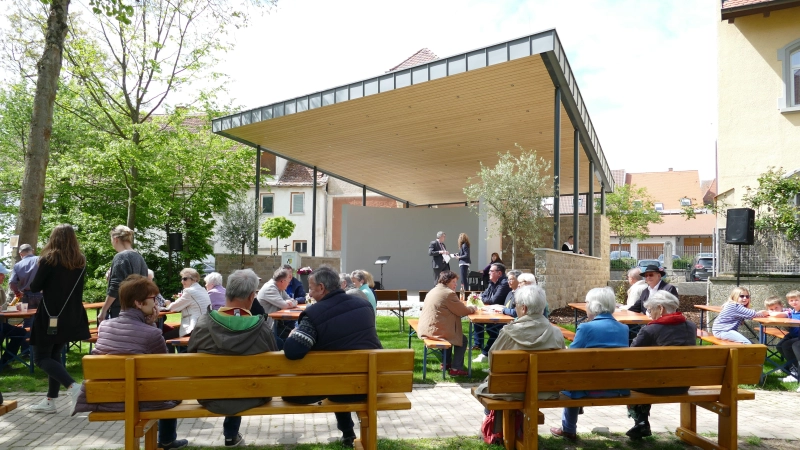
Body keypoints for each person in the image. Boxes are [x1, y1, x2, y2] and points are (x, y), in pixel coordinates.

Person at [72, 274, 188, 449]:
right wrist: (152, 326)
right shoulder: (153, 333)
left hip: (107, 399)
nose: (156, 303)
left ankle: (166, 439)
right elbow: (164, 372)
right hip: (144, 400)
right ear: (138, 303)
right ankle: (168, 439)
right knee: (170, 387)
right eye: (153, 299)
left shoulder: (105, 326)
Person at [282, 266, 382, 448]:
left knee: (333, 381)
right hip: (371, 383)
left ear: (321, 288)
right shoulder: (364, 305)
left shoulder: (314, 314)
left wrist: (293, 334)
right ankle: (348, 434)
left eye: (310, 288)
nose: (309, 293)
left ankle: (347, 433)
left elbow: (293, 351)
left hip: (336, 386)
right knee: (340, 377)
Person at [188, 269, 279, 447]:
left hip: (210, 396)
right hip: (254, 395)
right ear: (252, 297)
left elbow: (191, 360)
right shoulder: (262, 329)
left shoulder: (203, 325)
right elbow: (275, 366)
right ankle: (232, 434)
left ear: (227, 292)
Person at [550, 287, 629, 441]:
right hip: (616, 387)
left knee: (573, 378)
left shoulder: (585, 328)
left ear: (593, 305)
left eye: (586, 302)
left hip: (587, 388)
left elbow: (570, 359)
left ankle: (569, 429)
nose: (585, 305)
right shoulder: (624, 328)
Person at [27, 225, 90, 414]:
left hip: (50, 315)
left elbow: (36, 286)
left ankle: (73, 387)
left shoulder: (49, 260)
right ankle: (50, 401)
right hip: (71, 315)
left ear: (54, 238)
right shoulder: (80, 261)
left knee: (41, 357)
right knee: (54, 356)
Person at [626, 291, 697, 440]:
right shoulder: (691, 326)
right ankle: (642, 422)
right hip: (683, 384)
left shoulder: (650, 329)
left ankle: (641, 421)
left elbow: (631, 355)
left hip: (656, 385)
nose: (649, 314)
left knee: (632, 376)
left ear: (661, 308)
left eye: (650, 309)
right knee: (650, 375)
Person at [417, 271, 477, 377]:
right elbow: (462, 311)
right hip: (436, 330)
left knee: (451, 334)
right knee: (462, 339)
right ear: (446, 281)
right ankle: (456, 368)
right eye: (453, 282)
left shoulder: (434, 290)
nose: (455, 284)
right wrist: (473, 308)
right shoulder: (448, 294)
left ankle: (446, 363)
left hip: (426, 328)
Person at [98, 225, 148, 323]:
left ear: (115, 239)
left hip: (121, 311)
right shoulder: (139, 258)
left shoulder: (121, 257)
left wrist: (104, 310)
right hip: (137, 311)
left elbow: (116, 286)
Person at [473, 263, 511, 363]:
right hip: (492, 311)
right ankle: (478, 345)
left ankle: (485, 353)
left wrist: (483, 298)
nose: (488, 273)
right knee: (477, 321)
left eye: (491, 271)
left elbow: (494, 300)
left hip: (502, 315)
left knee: (493, 329)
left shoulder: (504, 283)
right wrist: (483, 298)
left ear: (499, 273)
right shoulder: (492, 282)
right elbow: (483, 295)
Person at [164, 268, 211, 339]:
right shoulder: (202, 290)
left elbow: (172, 308)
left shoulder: (189, 291)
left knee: (165, 337)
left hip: (194, 328)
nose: (182, 281)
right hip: (206, 327)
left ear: (194, 279)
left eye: (185, 279)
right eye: (182, 279)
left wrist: (167, 303)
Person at [256, 267, 298, 341]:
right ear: (282, 281)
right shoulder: (270, 288)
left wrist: (290, 303)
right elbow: (284, 305)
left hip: (277, 324)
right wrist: (288, 303)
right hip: (268, 328)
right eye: (288, 282)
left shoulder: (279, 287)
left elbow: (293, 300)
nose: (288, 284)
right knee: (293, 339)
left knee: (295, 335)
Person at [0, 265, 27, 370]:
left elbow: (5, 306)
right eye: (2, 274)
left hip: (2, 322)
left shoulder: (1, 287)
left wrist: (15, 302)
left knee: (21, 332)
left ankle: (5, 361)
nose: (4, 277)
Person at [10, 243, 43, 314]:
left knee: (28, 319)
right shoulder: (41, 260)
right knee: (43, 318)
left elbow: (12, 282)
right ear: (32, 251)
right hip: (41, 293)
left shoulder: (17, 265)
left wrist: (17, 293)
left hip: (26, 295)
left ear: (20, 253)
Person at [776, 291, 800, 384]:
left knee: (787, 346)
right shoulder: (791, 311)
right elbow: (779, 313)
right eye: (791, 300)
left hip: (798, 336)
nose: (794, 302)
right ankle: (789, 366)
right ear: (788, 302)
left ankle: (794, 373)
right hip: (793, 334)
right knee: (779, 346)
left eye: (797, 300)